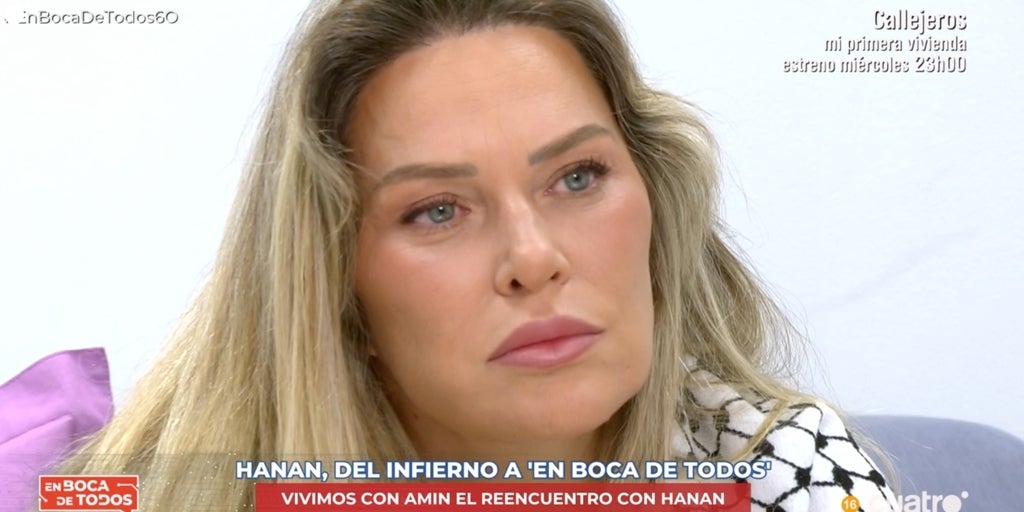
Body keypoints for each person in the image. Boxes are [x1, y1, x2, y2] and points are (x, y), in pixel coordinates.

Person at [58, 1, 898, 510]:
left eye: (577, 177)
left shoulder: (787, 473)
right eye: (438, 210)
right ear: (337, 290)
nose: (533, 258)